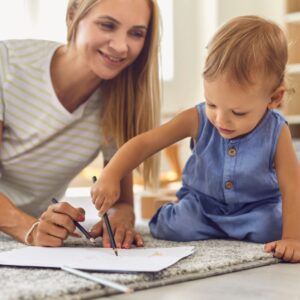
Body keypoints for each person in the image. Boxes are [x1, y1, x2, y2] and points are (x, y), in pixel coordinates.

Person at [91, 15, 300, 263]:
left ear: (274, 99)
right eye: (212, 104)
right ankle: (172, 205)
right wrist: (111, 174)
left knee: (274, 225)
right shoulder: (197, 118)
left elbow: (292, 187)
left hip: (254, 211)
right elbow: (145, 143)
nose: (221, 120)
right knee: (170, 227)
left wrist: (292, 239)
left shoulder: (277, 131)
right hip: (203, 207)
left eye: (238, 112)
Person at [0, 0, 161, 248]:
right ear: (73, 16)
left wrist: (119, 218)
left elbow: (123, 201)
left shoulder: (118, 100)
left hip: (19, 243)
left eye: (136, 33)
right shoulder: (6, 63)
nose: (121, 46)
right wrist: (28, 229)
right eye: (107, 25)